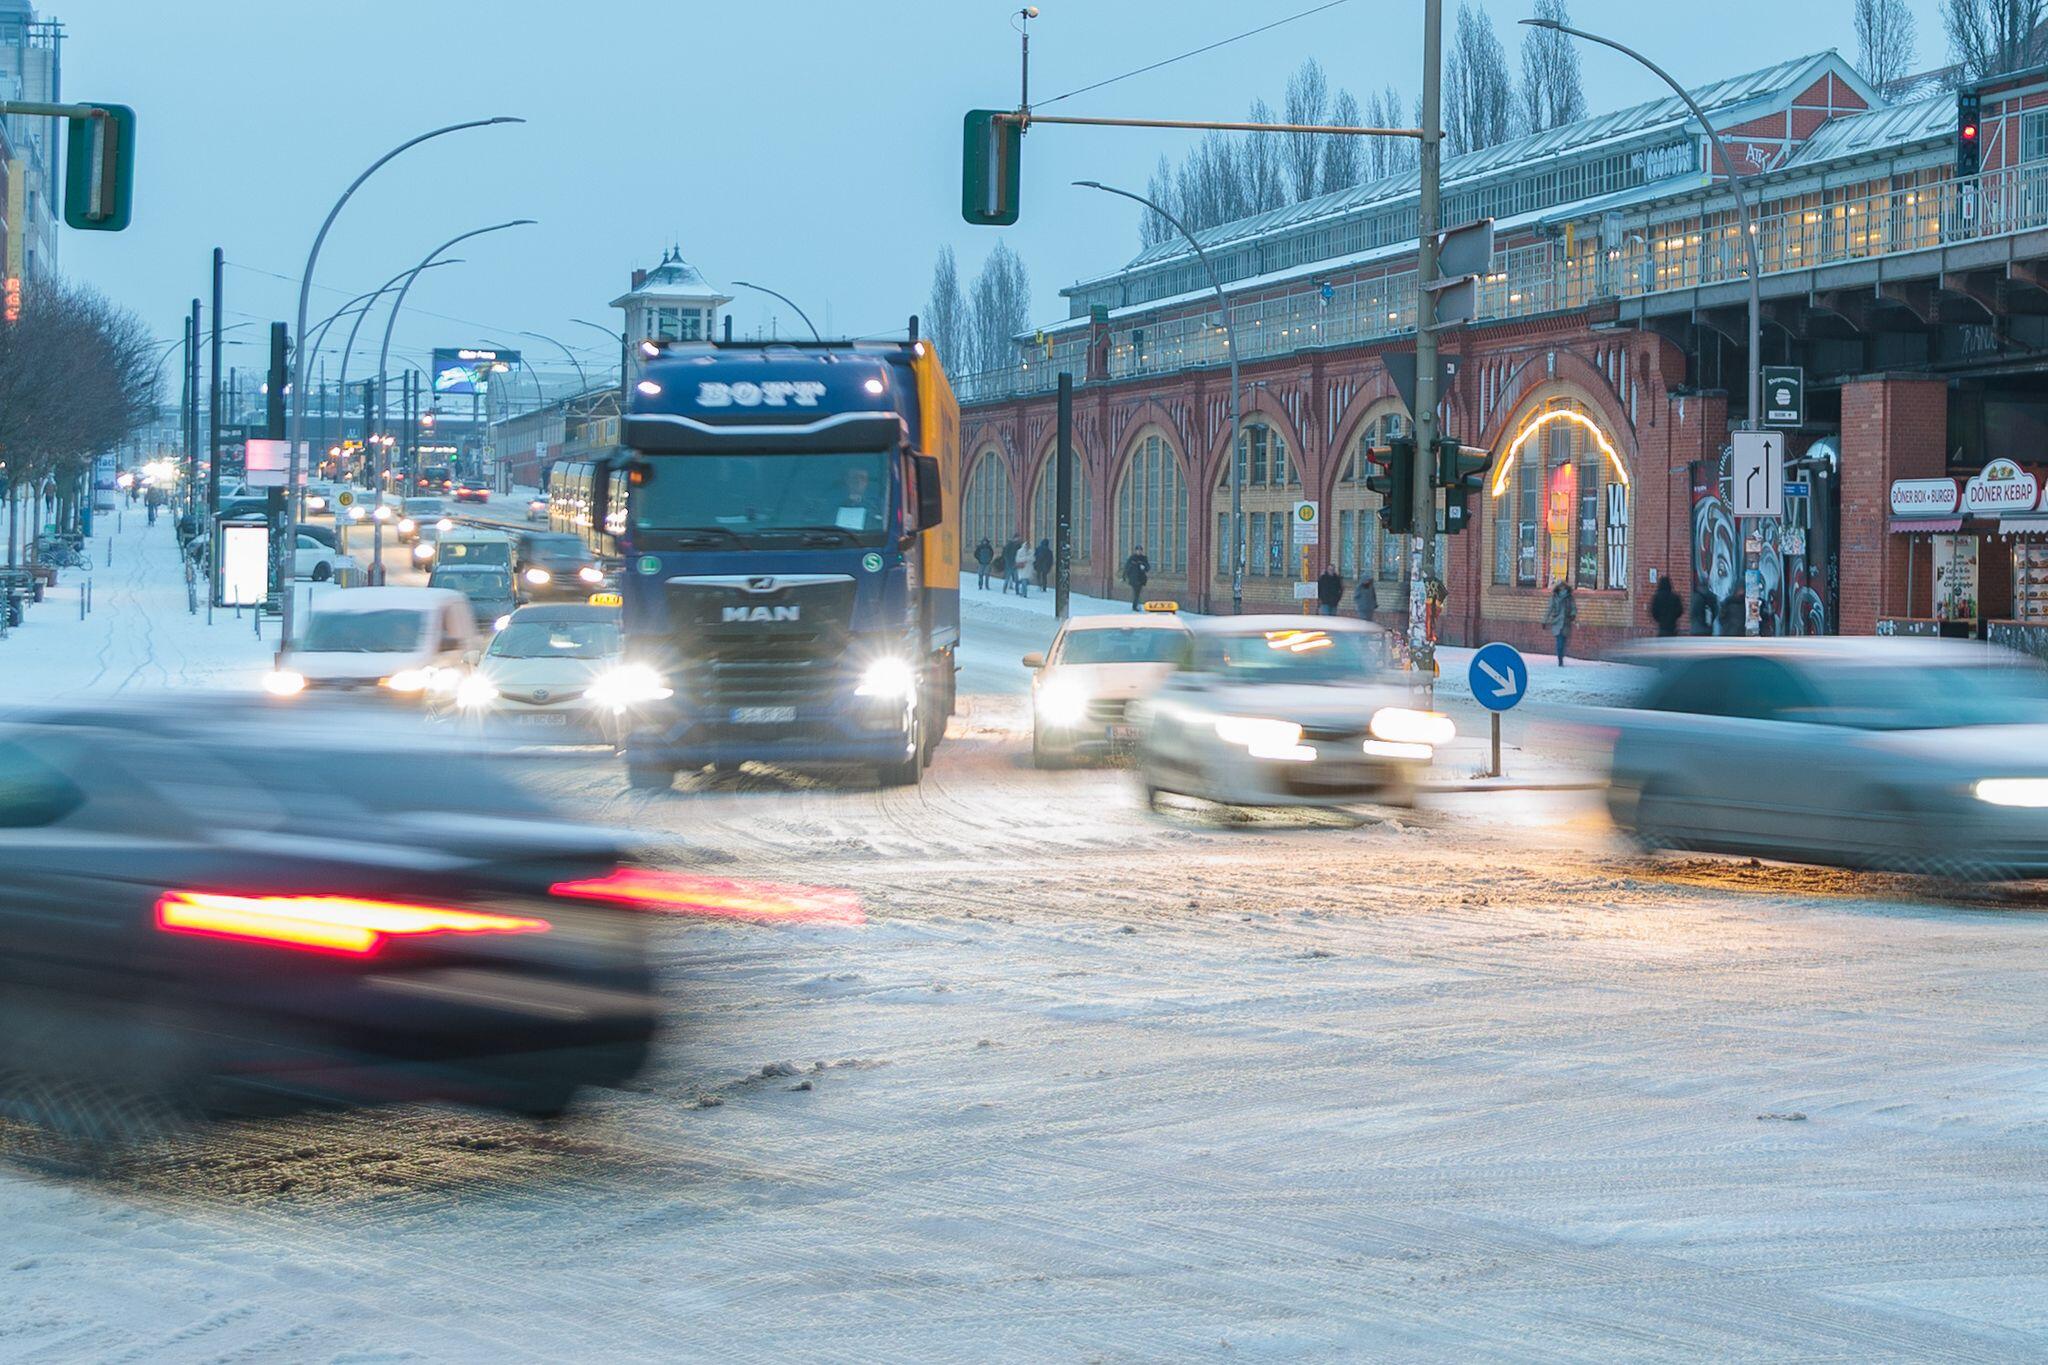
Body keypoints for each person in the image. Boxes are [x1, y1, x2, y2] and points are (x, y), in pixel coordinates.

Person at [1542, 579, 1577, 666]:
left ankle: (1561, 656)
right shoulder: (1554, 597)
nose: (1562, 589)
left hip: (1566, 622)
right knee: (1559, 641)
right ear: (1558, 588)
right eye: (1561, 587)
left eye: (1563, 587)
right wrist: (1544, 621)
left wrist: (1573, 615)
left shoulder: (1569, 597)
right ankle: (1560, 659)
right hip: (1557, 622)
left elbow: (1573, 607)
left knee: (1563, 641)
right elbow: (1549, 609)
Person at [1122, 547, 1151, 611]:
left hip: (1141, 578)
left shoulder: (1144, 558)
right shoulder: (1132, 558)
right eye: (1138, 550)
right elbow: (1126, 567)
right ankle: (1135, 606)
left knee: (1138, 592)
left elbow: (1148, 567)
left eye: (1140, 550)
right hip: (1133, 578)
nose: (1139, 552)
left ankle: (1136, 605)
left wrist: (1144, 567)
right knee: (1136, 592)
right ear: (1135, 551)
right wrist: (1124, 576)